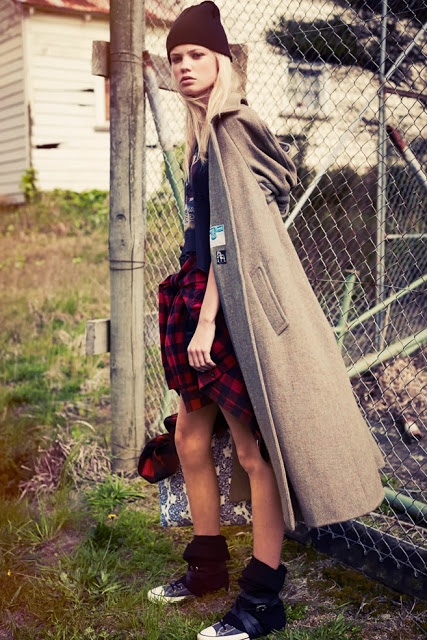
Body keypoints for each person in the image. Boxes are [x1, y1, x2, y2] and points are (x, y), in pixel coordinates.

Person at [147, 3, 385, 639]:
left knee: (254, 453)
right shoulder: (202, 134)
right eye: (175, 58)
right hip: (197, 293)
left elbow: (234, 238)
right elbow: (215, 230)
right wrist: (192, 301)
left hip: (228, 309)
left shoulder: (233, 125)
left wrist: (207, 319)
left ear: (221, 60)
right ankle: (206, 568)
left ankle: (262, 599)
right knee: (190, 439)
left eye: (196, 55)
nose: (184, 67)